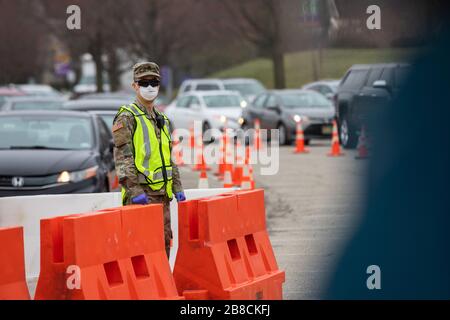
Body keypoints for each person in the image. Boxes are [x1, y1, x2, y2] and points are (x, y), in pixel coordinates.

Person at [112, 62, 185, 259]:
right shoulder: (127, 117)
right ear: (135, 86)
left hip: (162, 196)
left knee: (163, 245)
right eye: (144, 83)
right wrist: (134, 191)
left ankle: (162, 290)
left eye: (154, 82)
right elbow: (122, 157)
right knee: (140, 250)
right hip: (141, 196)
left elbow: (168, 158)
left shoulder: (162, 119)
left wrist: (177, 187)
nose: (150, 87)